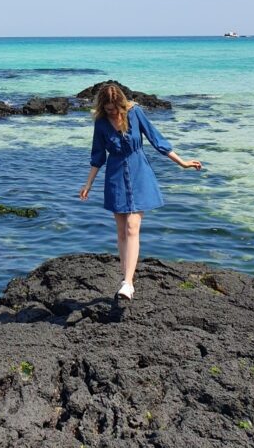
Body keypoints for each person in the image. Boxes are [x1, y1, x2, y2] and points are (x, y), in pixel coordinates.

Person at [78, 83, 202, 300]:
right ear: (102, 107)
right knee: (121, 231)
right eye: (108, 109)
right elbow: (98, 156)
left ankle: (128, 283)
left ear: (122, 104)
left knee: (132, 227)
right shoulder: (100, 123)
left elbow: (157, 140)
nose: (113, 113)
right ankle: (125, 278)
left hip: (140, 173)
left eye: (115, 108)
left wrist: (182, 162)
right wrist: (88, 184)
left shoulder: (136, 113)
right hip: (115, 177)